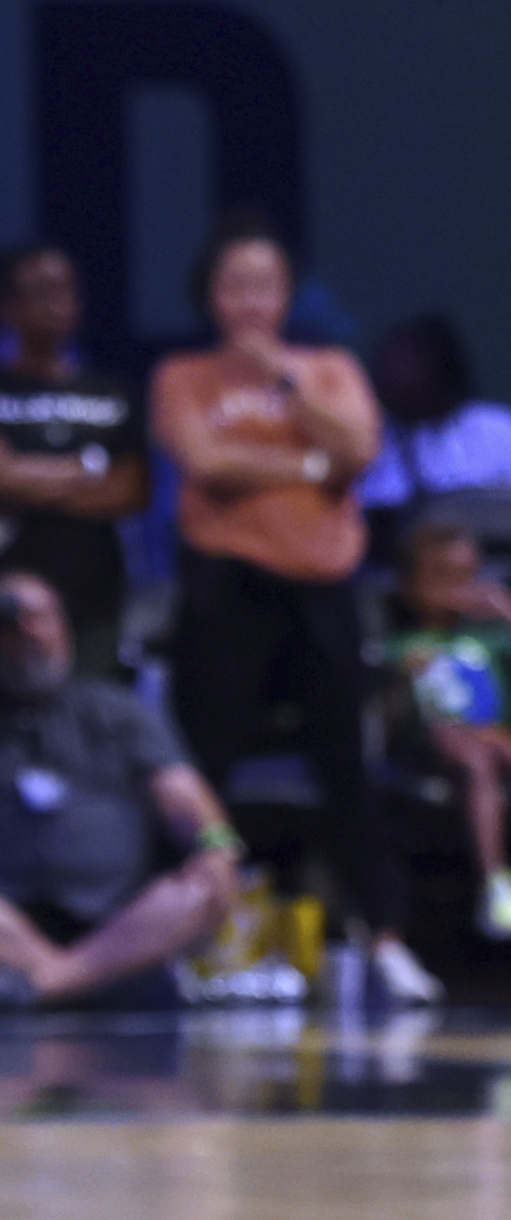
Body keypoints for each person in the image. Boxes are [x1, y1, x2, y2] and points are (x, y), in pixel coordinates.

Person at [149, 209, 439, 1006]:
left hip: (323, 589)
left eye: (265, 285)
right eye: (234, 285)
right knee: (205, 764)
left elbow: (359, 449)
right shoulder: (184, 376)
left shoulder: (329, 368)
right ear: (209, 295)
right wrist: (309, 465)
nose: (249, 301)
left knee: (349, 769)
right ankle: (187, 938)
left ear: (286, 294)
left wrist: (285, 383)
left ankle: (384, 940)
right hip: (228, 587)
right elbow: (204, 460)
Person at [0, 571, 246, 1004]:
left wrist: (217, 847)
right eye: (12, 623)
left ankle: (46, 984)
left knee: (210, 883)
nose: (31, 634)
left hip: (119, 921)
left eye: (41, 617)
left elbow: (187, 800)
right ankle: (80, 982)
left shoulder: (114, 709)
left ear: (65, 628)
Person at [0, 244, 149, 679]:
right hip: (2, 593)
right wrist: (87, 470)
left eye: (64, 290)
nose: (56, 304)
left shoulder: (113, 392)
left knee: (95, 703)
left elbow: (131, 489)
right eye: (40, 292)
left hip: (96, 591)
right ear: (9, 307)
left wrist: (29, 480)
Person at [387, 518, 511, 943]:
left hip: (495, 738)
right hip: (437, 746)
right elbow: (393, 720)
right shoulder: (402, 646)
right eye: (441, 578)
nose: (457, 590)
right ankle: (496, 885)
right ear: (409, 586)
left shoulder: (493, 640)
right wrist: (400, 680)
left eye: (466, 577)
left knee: (496, 750)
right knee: (475, 758)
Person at [359, 314, 511, 543]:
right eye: (389, 361)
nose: (393, 372)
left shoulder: (497, 431)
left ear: (442, 366)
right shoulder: (367, 443)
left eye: (407, 361)